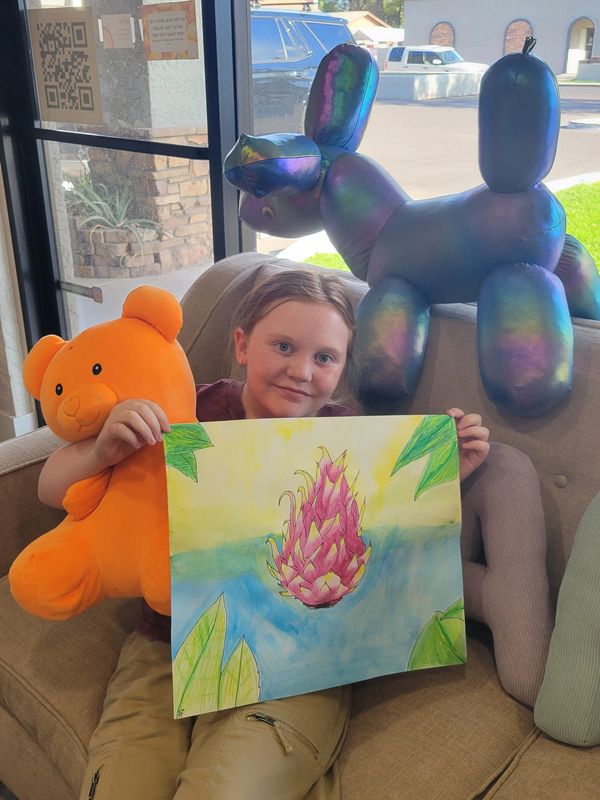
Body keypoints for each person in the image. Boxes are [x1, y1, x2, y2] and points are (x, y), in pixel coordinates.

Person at [38, 269, 490, 800]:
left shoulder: (352, 440)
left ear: (343, 366)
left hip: (300, 658)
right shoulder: (185, 409)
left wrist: (443, 476)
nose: (301, 371)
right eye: (283, 346)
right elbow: (49, 489)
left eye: (325, 357)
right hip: (165, 641)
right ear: (242, 344)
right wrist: (102, 451)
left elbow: (394, 548)